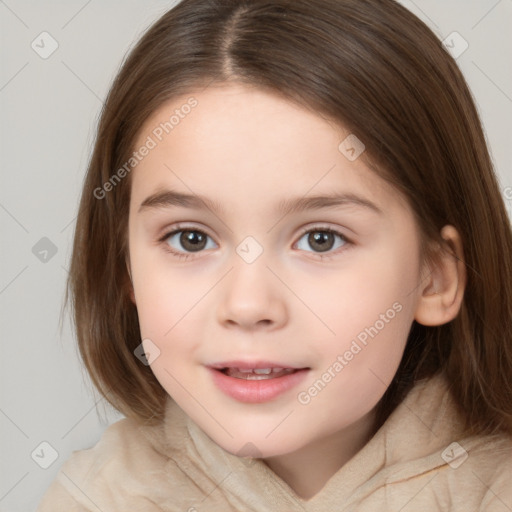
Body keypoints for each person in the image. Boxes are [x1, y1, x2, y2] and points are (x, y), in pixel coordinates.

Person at [37, 0, 512, 510]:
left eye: (321, 239)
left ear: (435, 277)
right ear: (124, 267)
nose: (247, 305)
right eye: (191, 238)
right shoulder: (99, 497)